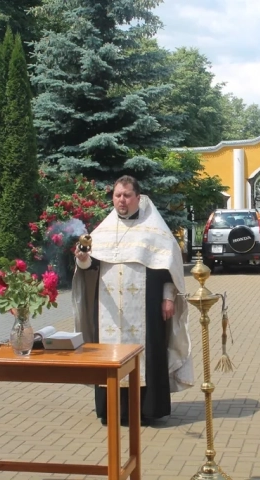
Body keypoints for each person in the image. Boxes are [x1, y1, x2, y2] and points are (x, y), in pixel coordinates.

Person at [72, 175, 194, 426]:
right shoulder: (103, 231)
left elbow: (168, 269)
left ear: (138, 197)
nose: (122, 200)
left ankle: (148, 410)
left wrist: (168, 297)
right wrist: (82, 259)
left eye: (127, 195)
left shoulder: (155, 231)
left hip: (146, 308)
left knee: (148, 353)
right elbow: (89, 266)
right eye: (117, 195)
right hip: (108, 311)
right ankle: (113, 410)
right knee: (109, 354)